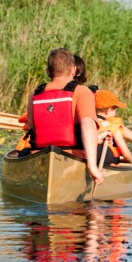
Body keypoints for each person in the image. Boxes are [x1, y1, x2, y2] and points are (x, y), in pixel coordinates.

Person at [25, 48, 104, 184]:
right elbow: (88, 125)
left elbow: (30, 128)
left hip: (40, 157)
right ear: (74, 70)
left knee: (20, 153)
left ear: (48, 71)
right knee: (108, 152)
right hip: (73, 157)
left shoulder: (35, 95)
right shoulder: (82, 92)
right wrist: (92, 165)